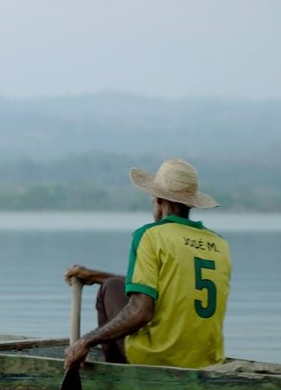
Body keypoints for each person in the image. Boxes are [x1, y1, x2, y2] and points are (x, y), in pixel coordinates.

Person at [64, 158, 232, 370]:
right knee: (112, 283)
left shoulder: (150, 235)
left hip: (158, 357)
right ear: (191, 202)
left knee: (110, 288)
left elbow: (141, 311)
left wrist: (85, 341)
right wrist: (94, 276)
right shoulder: (219, 243)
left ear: (158, 199)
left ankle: (117, 381)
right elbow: (169, 287)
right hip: (207, 360)